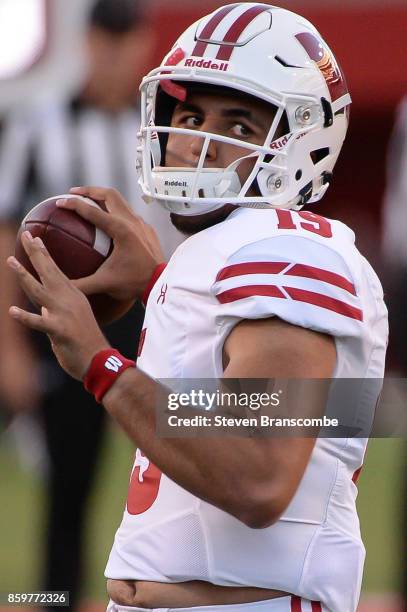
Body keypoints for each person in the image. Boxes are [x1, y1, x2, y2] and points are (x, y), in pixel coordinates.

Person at [7, 4, 388, 612]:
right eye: (190, 114)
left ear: (303, 139)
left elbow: (257, 477)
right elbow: (221, 394)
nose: (196, 141)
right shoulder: (233, 251)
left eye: (237, 125)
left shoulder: (287, 256)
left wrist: (103, 367)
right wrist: (157, 282)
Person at [0, 0, 182, 607]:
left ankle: (168, 596)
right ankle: (54, 600)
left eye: (125, 42)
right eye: (104, 42)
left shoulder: (161, 133)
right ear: (87, 45)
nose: (114, 56)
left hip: (152, 315)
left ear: (142, 47)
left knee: (178, 468)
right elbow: (6, 234)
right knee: (67, 484)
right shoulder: (36, 120)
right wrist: (8, 347)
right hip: (61, 321)